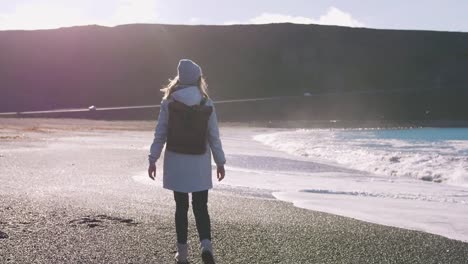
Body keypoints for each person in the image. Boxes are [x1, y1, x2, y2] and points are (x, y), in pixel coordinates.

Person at [148, 59, 226, 264]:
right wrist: (220, 161)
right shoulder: (206, 102)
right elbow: (213, 136)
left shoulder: (169, 102)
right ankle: (206, 246)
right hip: (199, 162)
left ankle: (182, 254)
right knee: (201, 206)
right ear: (198, 79)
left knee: (180, 207)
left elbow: (161, 133)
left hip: (176, 161)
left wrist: (153, 158)